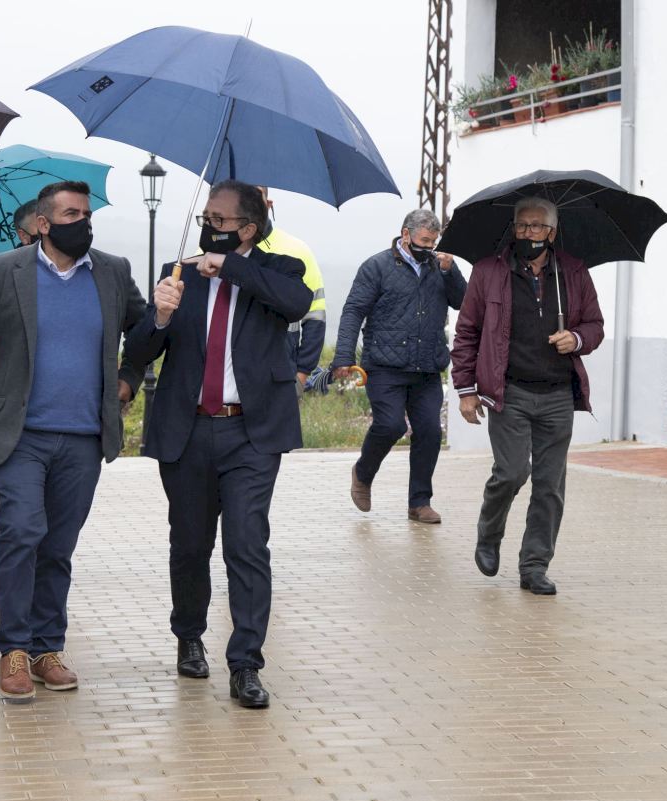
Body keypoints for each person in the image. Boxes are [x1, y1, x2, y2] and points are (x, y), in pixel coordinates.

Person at [0, 180, 146, 701]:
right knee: (20, 531)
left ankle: (45, 648)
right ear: (42, 223)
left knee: (58, 546)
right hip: (18, 435)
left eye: (86, 214)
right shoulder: (0, 272)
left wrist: (129, 378)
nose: (83, 222)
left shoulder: (113, 271)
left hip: (84, 436)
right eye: (71, 214)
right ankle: (13, 649)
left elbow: (145, 332)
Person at [125, 180, 311, 709]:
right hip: (186, 431)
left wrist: (228, 267)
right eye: (206, 218)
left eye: (220, 220)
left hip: (251, 433)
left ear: (248, 229)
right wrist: (160, 314)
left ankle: (246, 663)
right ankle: (189, 635)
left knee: (246, 544)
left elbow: (295, 304)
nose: (210, 226)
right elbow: (139, 351)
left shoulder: (279, 271)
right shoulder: (178, 273)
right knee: (190, 544)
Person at [450, 197, 605, 596]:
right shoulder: (488, 272)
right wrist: (466, 390)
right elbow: (466, 332)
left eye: (537, 226)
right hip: (509, 393)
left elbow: (595, 325)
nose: (528, 233)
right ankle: (489, 534)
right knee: (512, 472)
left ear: (552, 232)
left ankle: (534, 566)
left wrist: (577, 339)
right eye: (522, 225)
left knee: (550, 486)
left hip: (557, 394)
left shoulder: (573, 271)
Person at [331, 209, 466, 524]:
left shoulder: (441, 267)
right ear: (405, 234)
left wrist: (451, 272)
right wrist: (344, 357)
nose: (428, 247)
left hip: (427, 367)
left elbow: (464, 302)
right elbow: (353, 311)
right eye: (424, 241)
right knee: (391, 425)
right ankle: (363, 473)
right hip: (384, 366)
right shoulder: (376, 266)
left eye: (433, 242)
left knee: (430, 431)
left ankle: (420, 502)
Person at [256, 186, 326, 394]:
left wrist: (301, 376)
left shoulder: (297, 250)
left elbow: (315, 316)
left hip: (281, 374)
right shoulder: (212, 250)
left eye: (255, 194)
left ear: (268, 204)